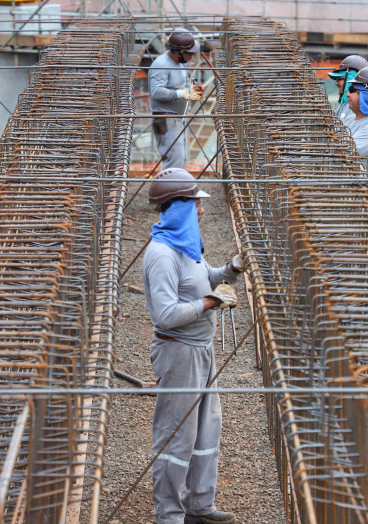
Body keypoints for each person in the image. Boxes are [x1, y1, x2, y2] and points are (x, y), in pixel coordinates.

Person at [142, 167, 245, 524]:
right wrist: (211, 302)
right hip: (179, 352)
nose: (201, 210)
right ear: (179, 208)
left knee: (206, 428)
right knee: (177, 436)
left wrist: (233, 268)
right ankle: (169, 515)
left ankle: (199, 505)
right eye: (196, 204)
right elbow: (167, 314)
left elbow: (208, 278)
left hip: (201, 348)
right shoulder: (162, 255)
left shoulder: (185, 245)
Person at [148, 29, 203, 170]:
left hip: (177, 119)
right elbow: (156, 91)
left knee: (180, 159)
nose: (192, 56)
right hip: (165, 119)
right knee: (174, 162)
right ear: (179, 52)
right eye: (190, 53)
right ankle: (170, 185)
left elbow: (183, 84)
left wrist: (192, 91)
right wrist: (180, 94)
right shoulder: (161, 65)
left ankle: (175, 184)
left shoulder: (181, 63)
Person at [327, 54, 368, 126]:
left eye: (339, 79)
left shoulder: (356, 108)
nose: (336, 83)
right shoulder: (344, 105)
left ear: (350, 78)